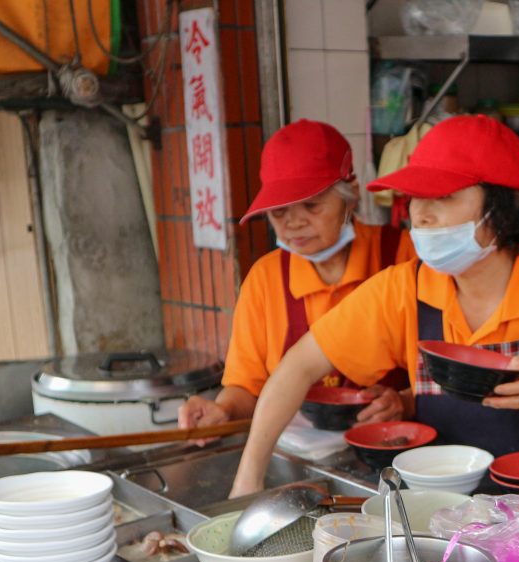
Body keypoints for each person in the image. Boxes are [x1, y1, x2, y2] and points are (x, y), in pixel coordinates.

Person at [229, 115, 519, 498]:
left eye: (443, 197)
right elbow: (298, 367)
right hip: (456, 533)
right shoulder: (405, 289)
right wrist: (247, 482)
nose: (420, 215)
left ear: (504, 205)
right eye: (415, 198)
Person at [177, 119, 414, 434]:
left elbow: (443, 376)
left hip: (394, 450)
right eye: (279, 211)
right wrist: (222, 410)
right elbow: (248, 390)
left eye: (312, 206)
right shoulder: (264, 279)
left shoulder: (403, 256)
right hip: (302, 455)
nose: (294, 223)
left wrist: (405, 401)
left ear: (351, 196)